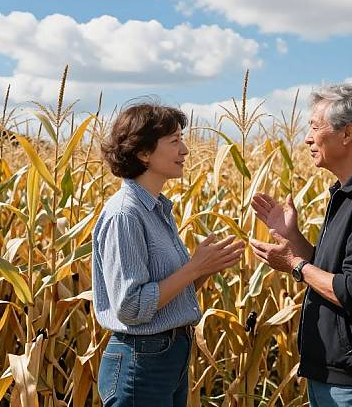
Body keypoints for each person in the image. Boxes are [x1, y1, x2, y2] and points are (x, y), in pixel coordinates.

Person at [250, 84, 352, 407]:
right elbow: (333, 272)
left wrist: (295, 266)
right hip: (335, 377)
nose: (307, 138)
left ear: (347, 133)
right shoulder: (350, 193)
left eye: (314, 127)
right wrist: (293, 238)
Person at [93, 102, 244, 407]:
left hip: (168, 357)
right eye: (174, 141)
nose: (185, 150)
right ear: (143, 153)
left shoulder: (159, 209)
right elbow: (131, 307)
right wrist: (193, 269)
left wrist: (204, 269)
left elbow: (167, 295)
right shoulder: (125, 215)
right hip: (141, 362)